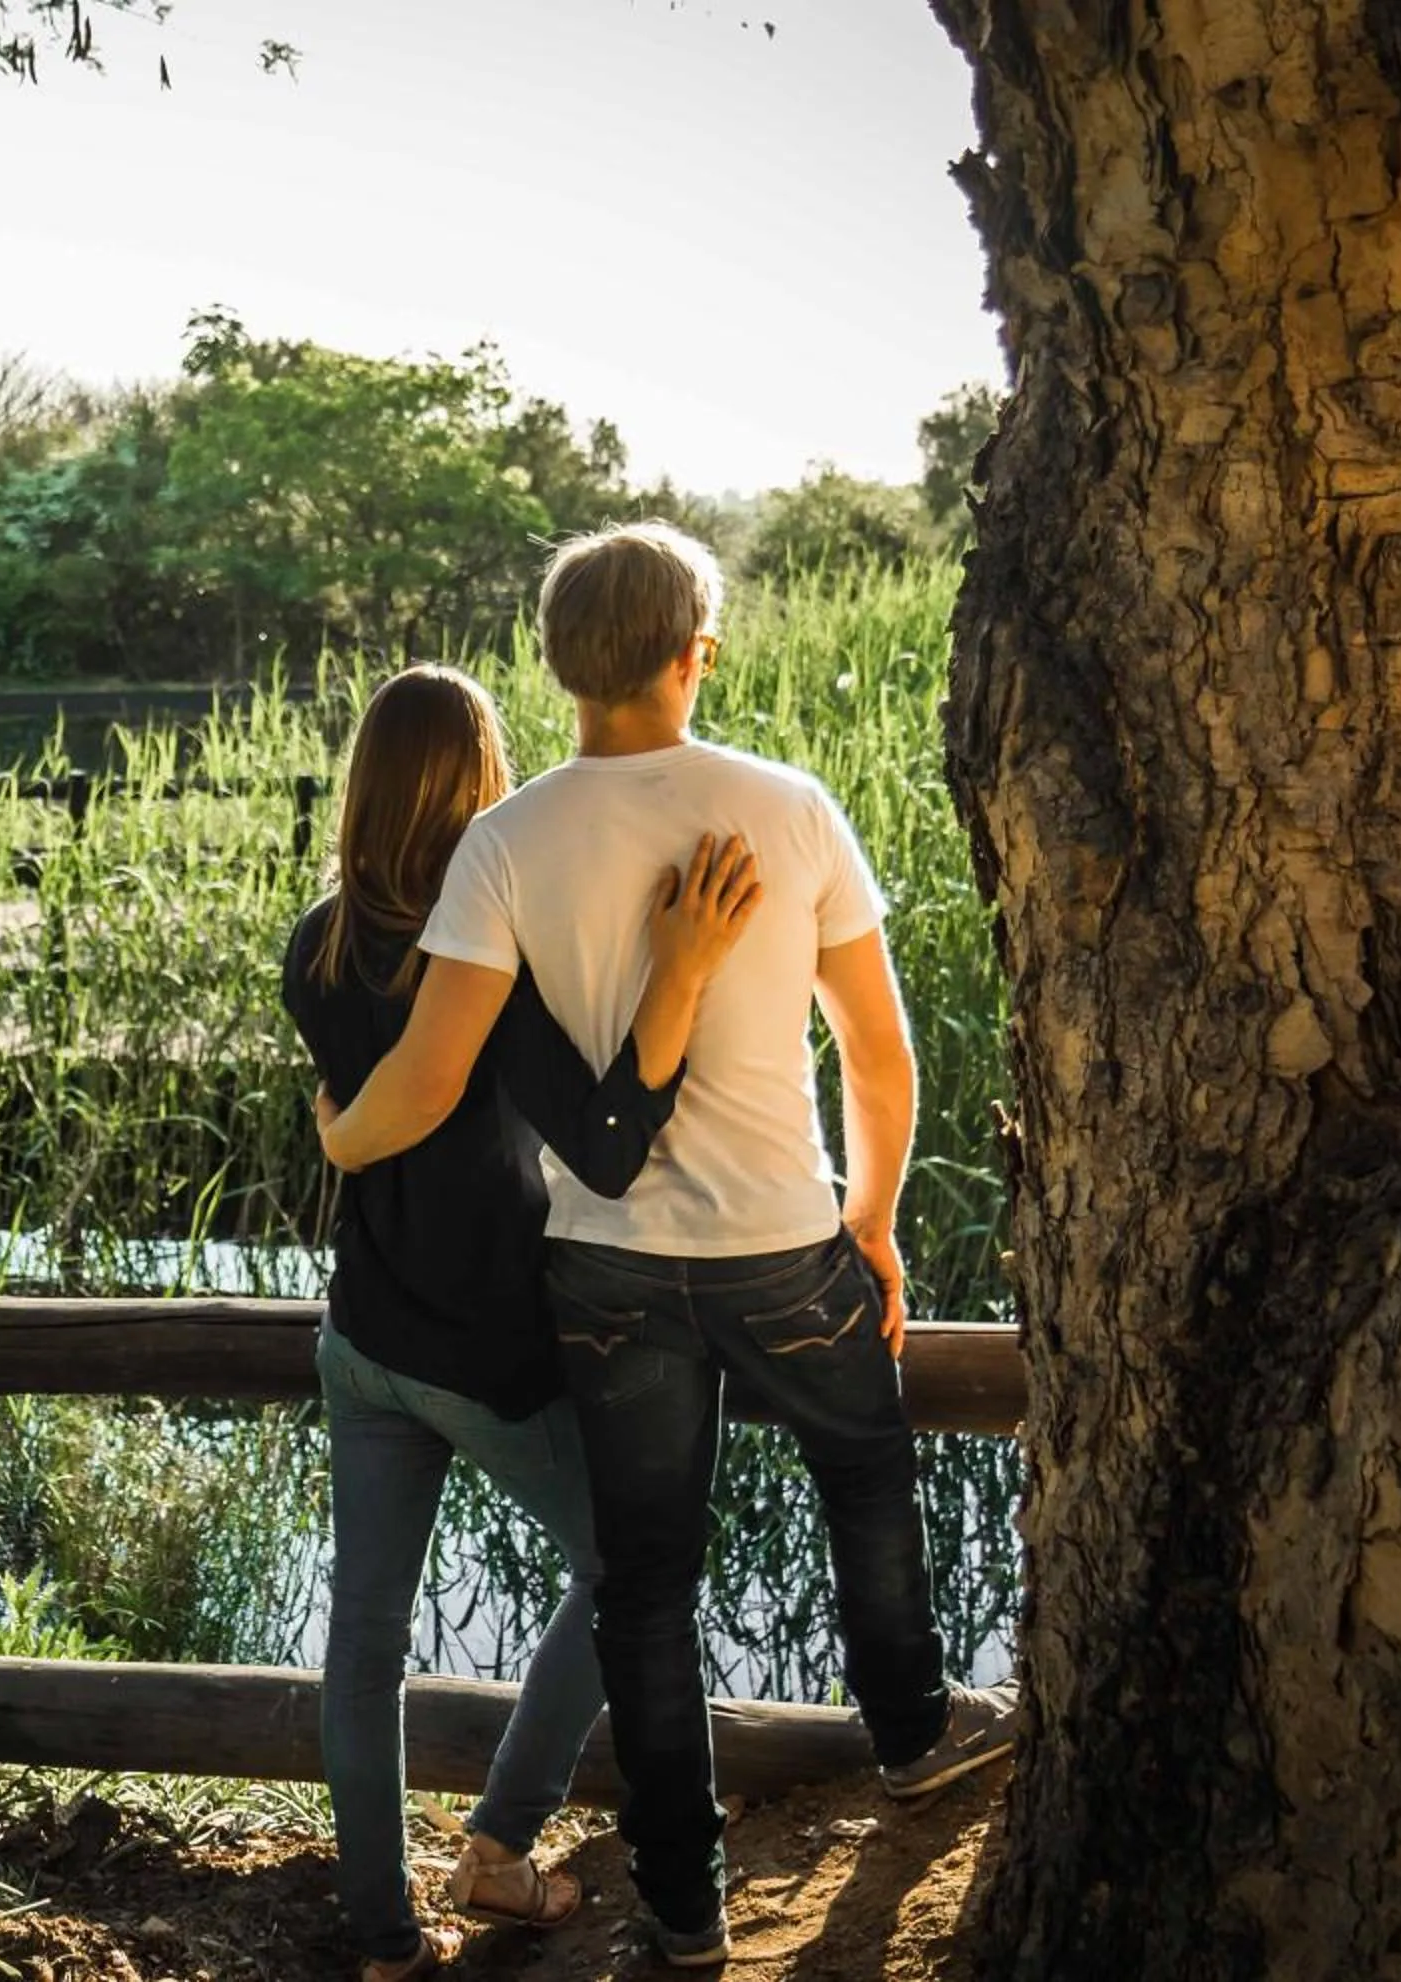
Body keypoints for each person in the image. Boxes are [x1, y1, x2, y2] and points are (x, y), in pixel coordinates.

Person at [319, 526, 1018, 1970]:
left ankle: (684, 1910)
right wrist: (873, 1219)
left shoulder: (506, 843)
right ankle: (911, 1731)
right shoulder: (789, 805)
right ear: (695, 653)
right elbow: (877, 1053)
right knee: (868, 1479)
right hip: (781, 1239)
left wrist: (337, 1138)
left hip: (606, 1270)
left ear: (562, 662)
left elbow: (437, 1071)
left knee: (643, 1582)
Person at [283, 663, 759, 1982]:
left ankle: (384, 1937)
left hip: (364, 1338)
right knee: (632, 1570)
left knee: (363, 1636)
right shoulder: (494, 949)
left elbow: (363, 1123)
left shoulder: (313, 943)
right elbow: (604, 1148)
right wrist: (678, 968)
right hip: (487, 1352)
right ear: (479, 785)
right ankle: (497, 1842)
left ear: (369, 782)